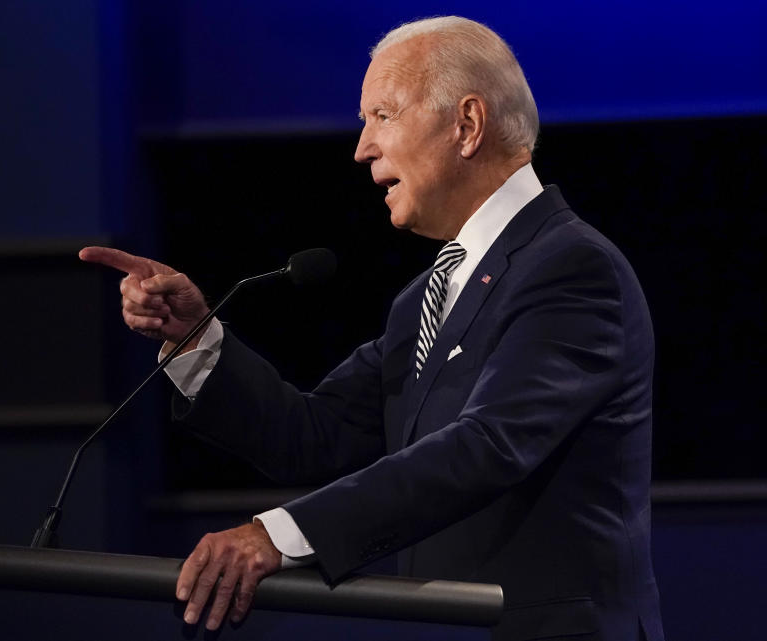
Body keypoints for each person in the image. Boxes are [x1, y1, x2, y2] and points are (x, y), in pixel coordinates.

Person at [81, 16, 664, 641]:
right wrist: (197, 337)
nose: (361, 148)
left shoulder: (572, 267)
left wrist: (275, 537)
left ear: (467, 125)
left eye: (382, 115)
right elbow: (313, 436)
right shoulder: (423, 298)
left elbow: (489, 445)